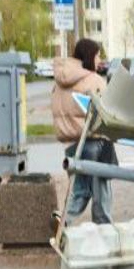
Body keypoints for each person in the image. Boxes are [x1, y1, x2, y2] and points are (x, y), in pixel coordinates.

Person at [52, 38, 113, 225]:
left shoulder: (59, 83)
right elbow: (108, 110)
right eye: (97, 55)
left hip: (72, 145)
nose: (100, 59)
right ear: (89, 56)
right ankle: (104, 232)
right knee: (101, 193)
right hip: (97, 142)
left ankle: (64, 224)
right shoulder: (93, 80)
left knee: (78, 191)